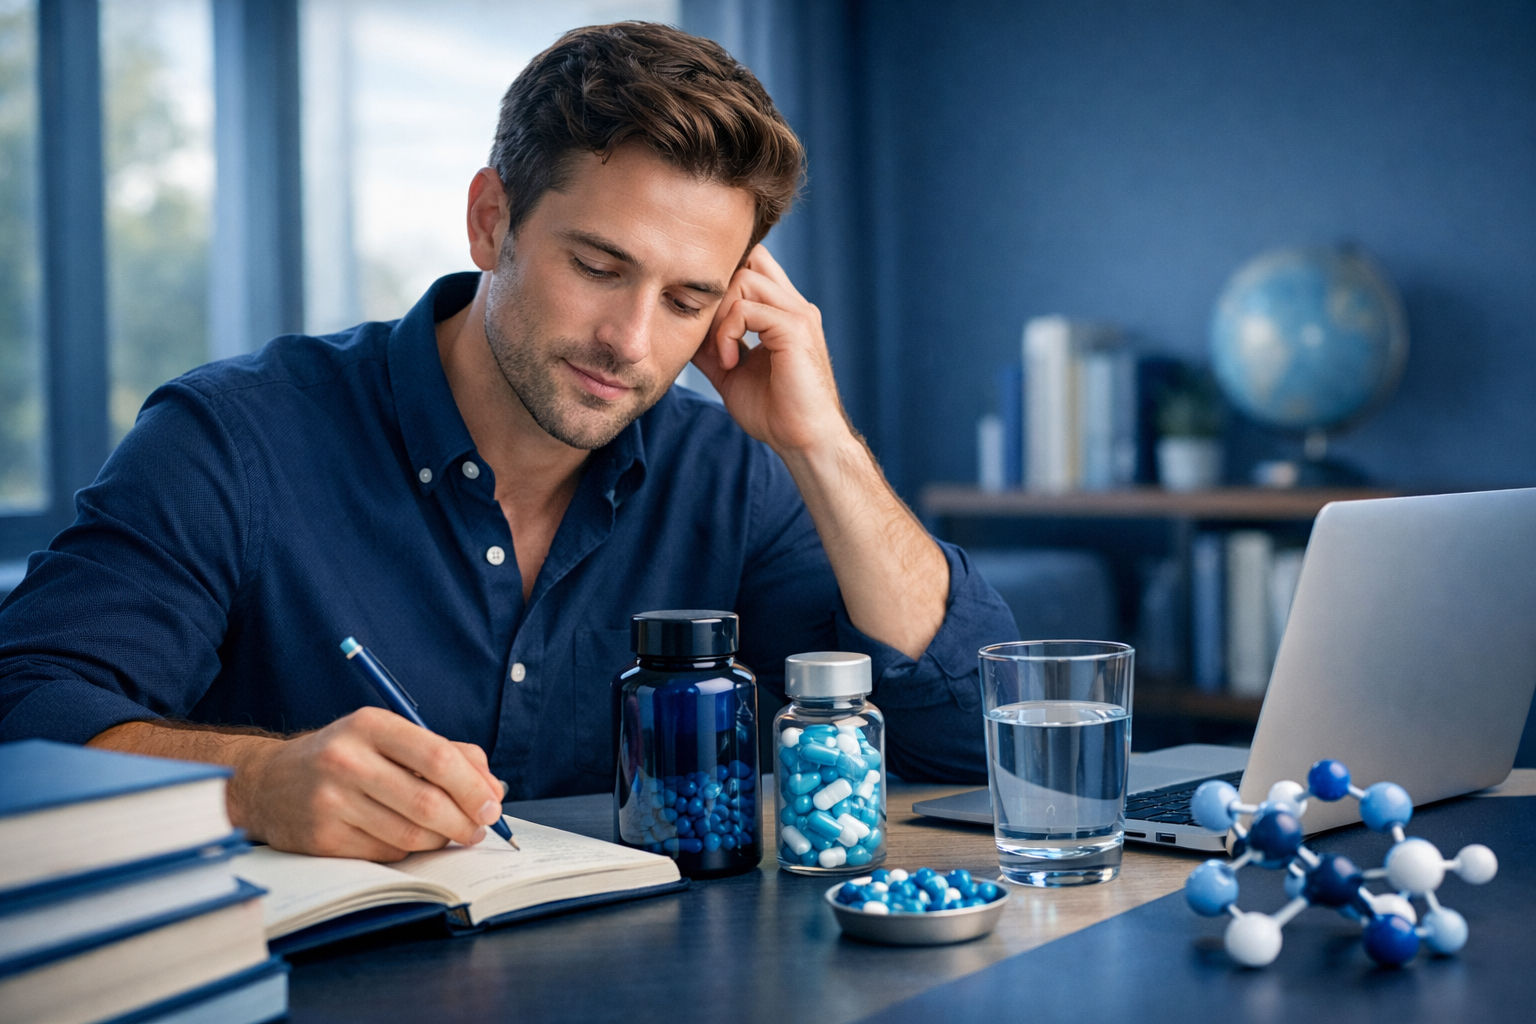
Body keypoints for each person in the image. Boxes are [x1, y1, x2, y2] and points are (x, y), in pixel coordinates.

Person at [0, 23, 1015, 862]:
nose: (631, 342)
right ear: (493, 222)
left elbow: (970, 744)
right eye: (600, 266)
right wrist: (252, 783)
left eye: (687, 299)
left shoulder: (732, 476)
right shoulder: (233, 440)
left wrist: (821, 440)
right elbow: (25, 713)